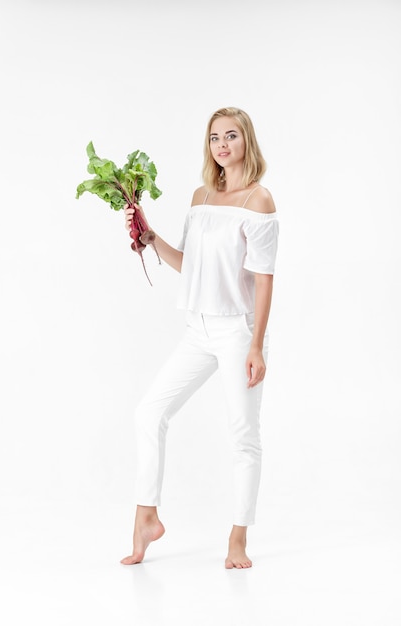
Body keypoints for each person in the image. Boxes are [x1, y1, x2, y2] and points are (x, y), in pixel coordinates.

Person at [121, 107, 279, 569]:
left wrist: (256, 345)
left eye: (231, 136)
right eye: (214, 138)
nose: (222, 144)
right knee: (150, 412)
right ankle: (147, 516)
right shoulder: (201, 195)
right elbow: (191, 266)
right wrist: (150, 236)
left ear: (246, 141)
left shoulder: (259, 201)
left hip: (238, 332)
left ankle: (237, 539)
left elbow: (266, 280)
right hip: (199, 330)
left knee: (243, 436)